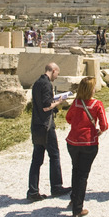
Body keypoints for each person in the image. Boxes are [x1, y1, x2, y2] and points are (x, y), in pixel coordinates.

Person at [27, 63, 72, 201]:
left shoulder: (37, 83)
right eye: (57, 73)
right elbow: (46, 107)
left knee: (37, 159)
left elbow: (42, 102)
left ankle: (33, 191)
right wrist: (59, 101)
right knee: (54, 155)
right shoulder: (46, 84)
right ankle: (56, 187)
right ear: (53, 70)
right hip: (46, 125)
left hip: (36, 124)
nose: (57, 76)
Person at [65, 77, 108, 217]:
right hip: (88, 142)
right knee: (83, 175)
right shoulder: (97, 104)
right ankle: (78, 209)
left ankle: (74, 198)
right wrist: (98, 131)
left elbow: (68, 118)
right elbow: (104, 125)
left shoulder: (76, 103)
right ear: (91, 89)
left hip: (72, 141)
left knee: (75, 169)